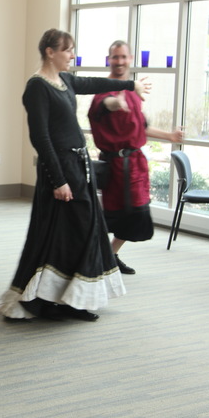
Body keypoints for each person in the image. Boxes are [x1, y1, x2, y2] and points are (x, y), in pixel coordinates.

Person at [0, 29, 149, 322]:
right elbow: (41, 138)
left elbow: (92, 83)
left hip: (79, 166)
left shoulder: (64, 80)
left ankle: (71, 299)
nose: (72, 55)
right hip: (61, 170)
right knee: (62, 233)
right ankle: (47, 301)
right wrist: (59, 181)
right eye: (68, 50)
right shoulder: (37, 87)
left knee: (82, 230)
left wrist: (131, 84)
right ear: (50, 52)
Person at [87, 41, 183, 275]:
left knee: (135, 214)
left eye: (123, 57)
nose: (119, 61)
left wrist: (170, 136)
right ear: (109, 60)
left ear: (130, 59)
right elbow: (106, 104)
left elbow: (141, 127)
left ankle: (110, 255)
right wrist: (115, 103)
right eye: (115, 57)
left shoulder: (133, 91)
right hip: (116, 167)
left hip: (135, 166)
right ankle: (93, 259)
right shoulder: (105, 91)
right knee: (113, 216)